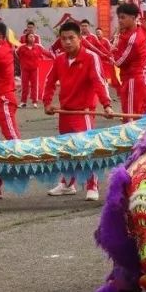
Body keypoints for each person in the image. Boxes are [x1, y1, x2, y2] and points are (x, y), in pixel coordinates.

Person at [43, 21, 114, 200]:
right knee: (66, 149)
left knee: (87, 149)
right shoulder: (59, 59)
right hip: (65, 112)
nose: (67, 42)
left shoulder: (91, 57)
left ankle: (92, 186)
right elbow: (49, 82)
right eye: (64, 39)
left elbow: (99, 81)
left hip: (84, 112)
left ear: (80, 38)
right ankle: (67, 183)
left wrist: (106, 104)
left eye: (71, 38)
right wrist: (47, 103)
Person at [112, 3, 146, 117]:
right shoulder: (140, 27)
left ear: (133, 18)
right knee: (135, 112)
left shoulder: (133, 39)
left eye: (123, 17)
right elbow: (137, 5)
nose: (120, 21)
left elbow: (118, 62)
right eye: (119, 17)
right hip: (134, 78)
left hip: (133, 80)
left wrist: (113, 49)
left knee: (131, 115)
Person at [17, 32, 53, 108]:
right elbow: (16, 54)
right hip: (25, 69)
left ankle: (34, 102)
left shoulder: (38, 47)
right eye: (30, 36)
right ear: (26, 38)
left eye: (33, 37)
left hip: (34, 69)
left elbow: (47, 53)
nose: (32, 38)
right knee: (24, 86)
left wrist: (55, 56)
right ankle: (23, 102)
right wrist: (22, 61)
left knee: (34, 86)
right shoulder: (22, 47)